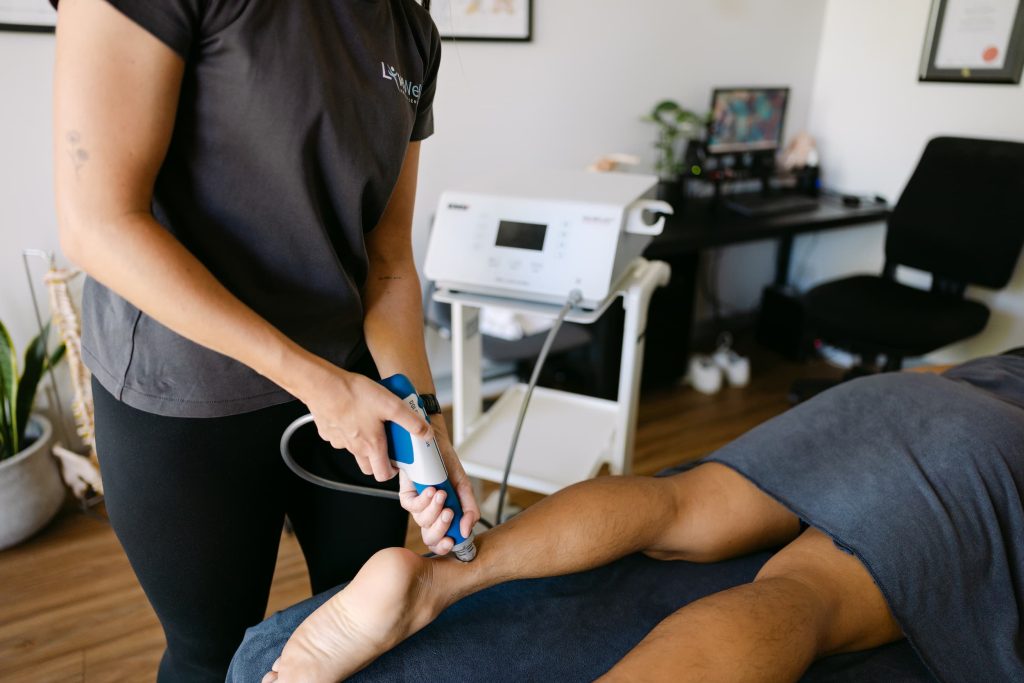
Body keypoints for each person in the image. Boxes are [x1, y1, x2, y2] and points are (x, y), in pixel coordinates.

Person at [52, 0, 478, 679]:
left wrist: (422, 417)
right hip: (187, 390)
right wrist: (318, 383)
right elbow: (99, 222)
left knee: (367, 623)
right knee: (212, 651)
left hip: (354, 390)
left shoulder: (409, 30)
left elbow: (389, 256)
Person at [260, 352, 1024, 682]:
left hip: (895, 395)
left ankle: (437, 581)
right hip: (990, 449)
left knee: (679, 501)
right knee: (806, 595)